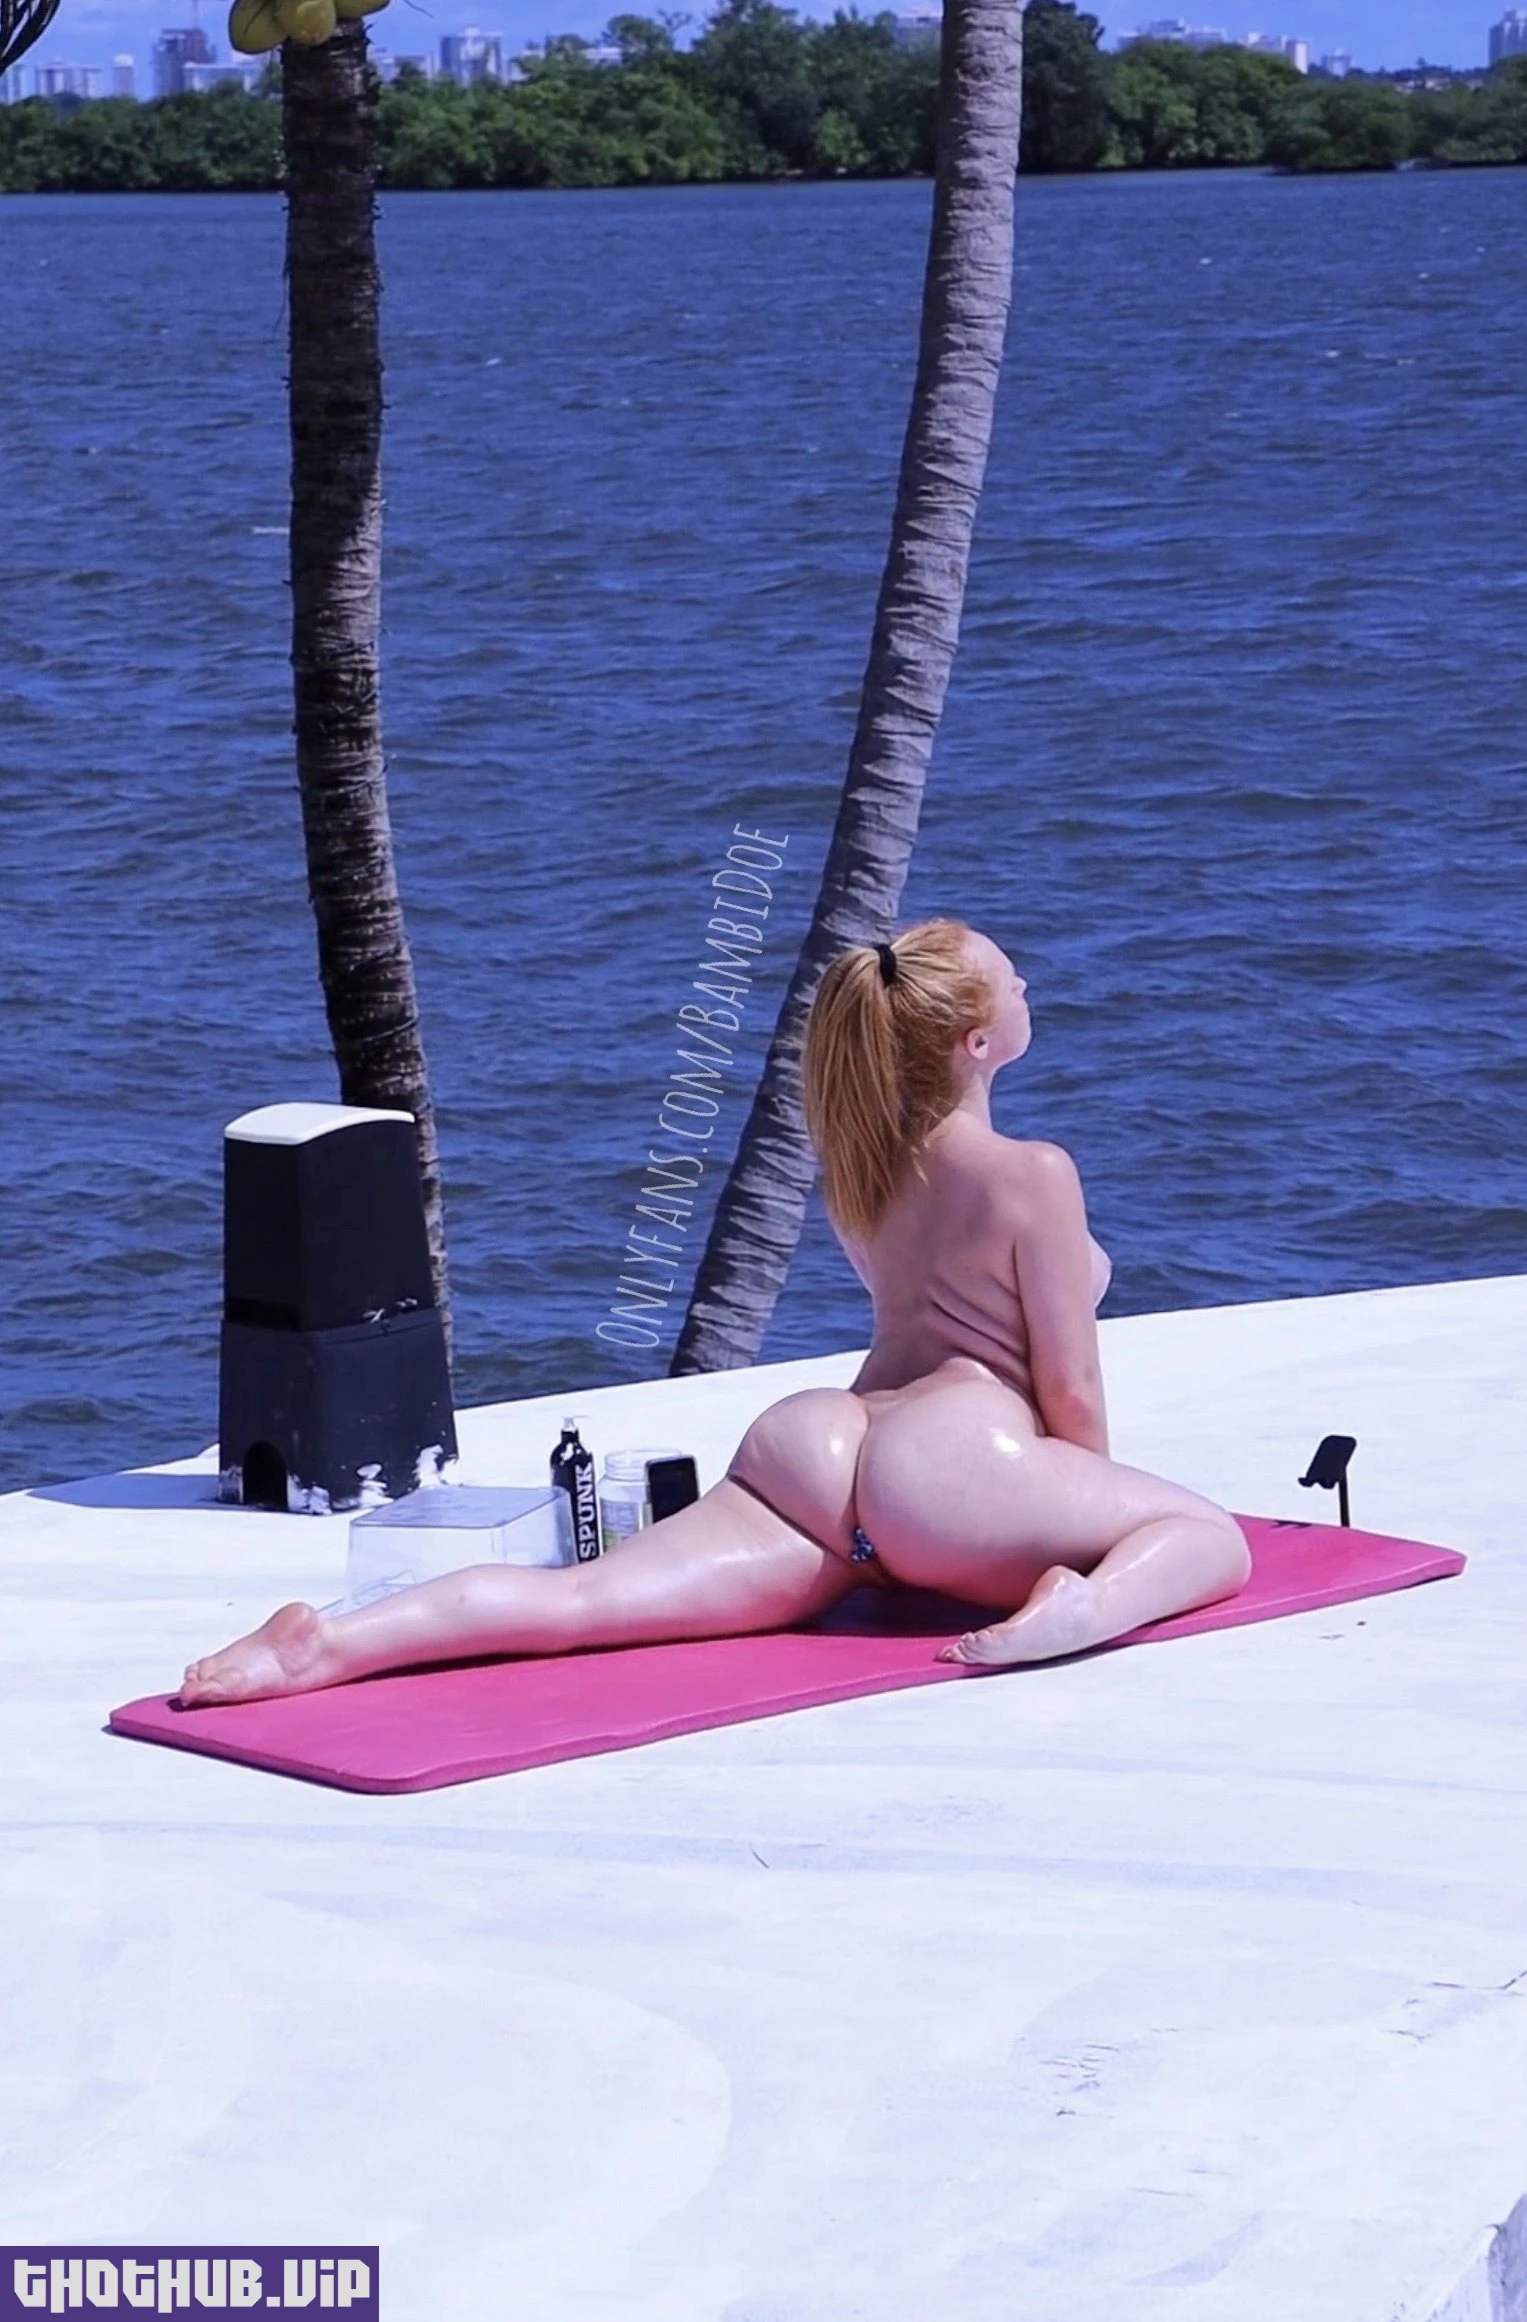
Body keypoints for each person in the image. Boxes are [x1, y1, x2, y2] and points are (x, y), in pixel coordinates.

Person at [180, 919, 1248, 1708]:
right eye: (1014, 980)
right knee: (1208, 1540)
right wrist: (1088, 1520)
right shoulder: (1032, 1174)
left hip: (819, 1446)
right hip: (954, 1467)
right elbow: (1069, 1385)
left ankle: (328, 1645)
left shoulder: (863, 1168)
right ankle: (1076, 1614)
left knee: (587, 1603)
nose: (1027, 985)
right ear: (977, 1041)